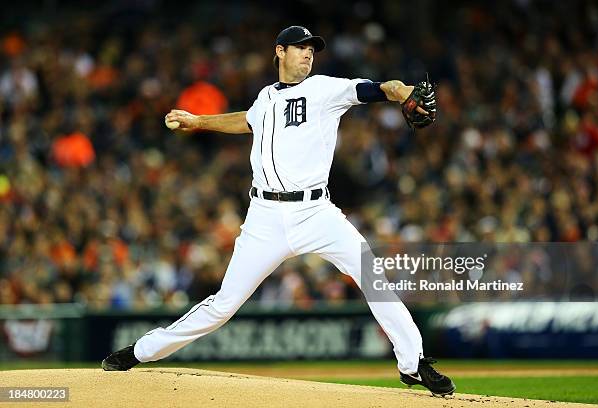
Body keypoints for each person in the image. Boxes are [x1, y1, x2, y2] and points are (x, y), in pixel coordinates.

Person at [102, 25, 454, 396]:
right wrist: (199, 121)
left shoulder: (323, 89)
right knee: (223, 305)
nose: (308, 54)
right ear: (280, 52)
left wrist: (399, 90)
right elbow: (247, 120)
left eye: (311, 49)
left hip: (316, 212)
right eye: (300, 48)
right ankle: (141, 351)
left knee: (372, 276)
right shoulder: (266, 97)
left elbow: (374, 89)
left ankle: (413, 363)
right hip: (264, 217)